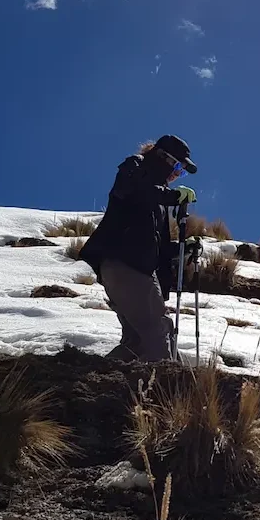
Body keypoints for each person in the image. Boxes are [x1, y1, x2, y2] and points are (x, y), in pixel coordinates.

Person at [79, 135, 198, 362]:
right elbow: (136, 190)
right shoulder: (135, 167)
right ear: (162, 156)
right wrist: (173, 196)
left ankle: (101, 381)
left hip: (134, 269)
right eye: (177, 167)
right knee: (157, 331)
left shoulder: (159, 201)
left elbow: (160, 248)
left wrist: (183, 248)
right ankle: (163, 390)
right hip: (125, 265)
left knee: (137, 340)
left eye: (181, 172)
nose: (176, 174)